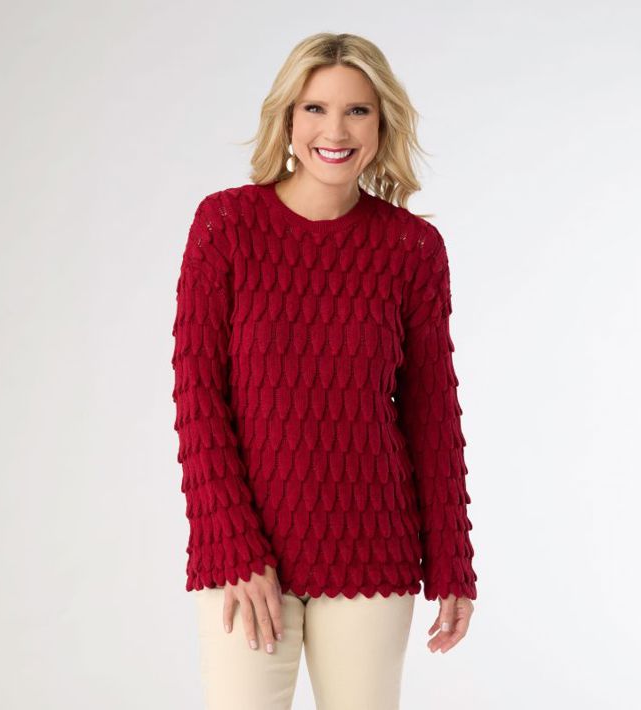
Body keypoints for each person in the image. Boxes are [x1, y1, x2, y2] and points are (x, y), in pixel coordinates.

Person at [171, 31, 478, 710]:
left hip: (373, 547)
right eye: (315, 108)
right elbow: (198, 399)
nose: (334, 131)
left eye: (357, 111)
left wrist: (452, 558)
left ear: (382, 123)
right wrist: (234, 543)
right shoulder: (226, 226)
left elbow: (432, 413)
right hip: (244, 554)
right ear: (288, 118)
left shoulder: (413, 249)